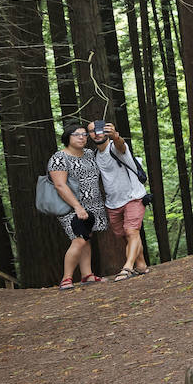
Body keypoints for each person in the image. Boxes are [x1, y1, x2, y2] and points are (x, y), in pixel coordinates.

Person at [49, 121, 109, 290]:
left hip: (93, 204)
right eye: (77, 134)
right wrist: (77, 207)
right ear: (68, 137)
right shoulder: (59, 158)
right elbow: (60, 185)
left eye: (84, 134)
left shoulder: (89, 154)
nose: (82, 138)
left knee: (86, 239)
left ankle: (87, 275)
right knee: (78, 240)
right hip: (71, 206)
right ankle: (66, 278)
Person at [88, 121, 150, 282]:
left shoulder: (115, 148)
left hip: (133, 196)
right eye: (92, 131)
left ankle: (127, 267)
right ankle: (141, 264)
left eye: (99, 130)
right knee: (124, 235)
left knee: (131, 232)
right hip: (113, 202)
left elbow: (121, 145)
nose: (97, 133)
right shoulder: (94, 155)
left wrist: (116, 136)